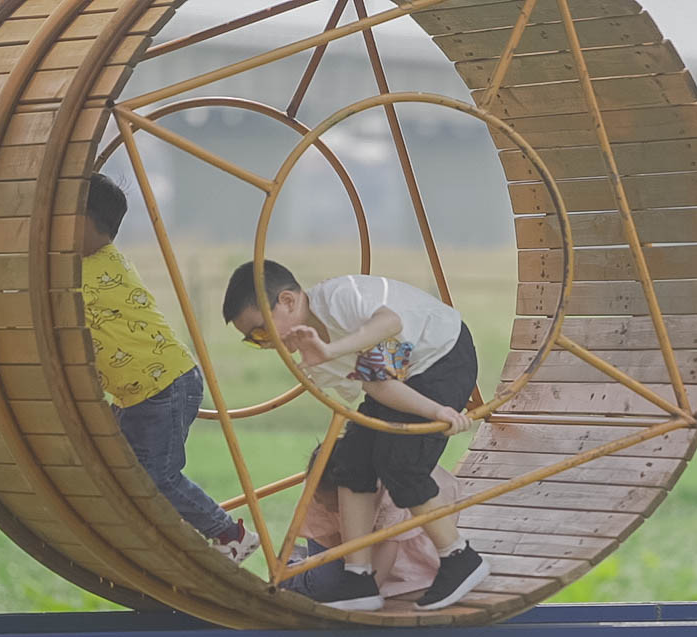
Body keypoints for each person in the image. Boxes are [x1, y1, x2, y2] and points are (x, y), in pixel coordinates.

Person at [222, 261, 489, 611]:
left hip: (442, 353)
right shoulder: (313, 358)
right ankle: (358, 577)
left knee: (400, 463)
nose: (265, 343)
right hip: (401, 377)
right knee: (350, 461)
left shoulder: (340, 297)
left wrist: (331, 350)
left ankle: (459, 557)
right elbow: (378, 386)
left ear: (287, 301)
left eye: (262, 332)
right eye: (255, 341)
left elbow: (390, 323)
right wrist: (433, 410)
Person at [81, 173, 259, 564]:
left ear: (86, 222)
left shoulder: (94, 270)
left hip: (164, 385)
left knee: (157, 476)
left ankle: (231, 535)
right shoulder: (88, 266)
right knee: (122, 470)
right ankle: (158, 542)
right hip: (138, 392)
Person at [279, 444, 460, 601]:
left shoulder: (390, 491)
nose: (325, 506)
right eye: (320, 500)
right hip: (335, 536)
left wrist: (365, 593)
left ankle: (305, 563)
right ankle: (289, 571)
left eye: (333, 505)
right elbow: (329, 540)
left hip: (399, 531)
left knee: (410, 579)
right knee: (326, 584)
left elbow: (389, 546)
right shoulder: (320, 493)